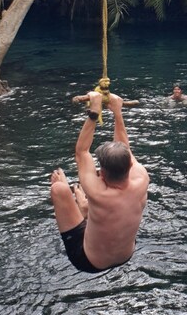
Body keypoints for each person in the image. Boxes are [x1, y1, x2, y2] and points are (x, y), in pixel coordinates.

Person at [50, 91, 149, 273]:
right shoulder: (142, 177)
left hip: (89, 260)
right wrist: (117, 112)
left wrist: (94, 112)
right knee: (101, 208)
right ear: (129, 165)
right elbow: (124, 148)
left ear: (101, 173)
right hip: (127, 253)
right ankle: (86, 209)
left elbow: (82, 152)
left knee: (59, 189)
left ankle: (82, 207)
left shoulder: (97, 192)